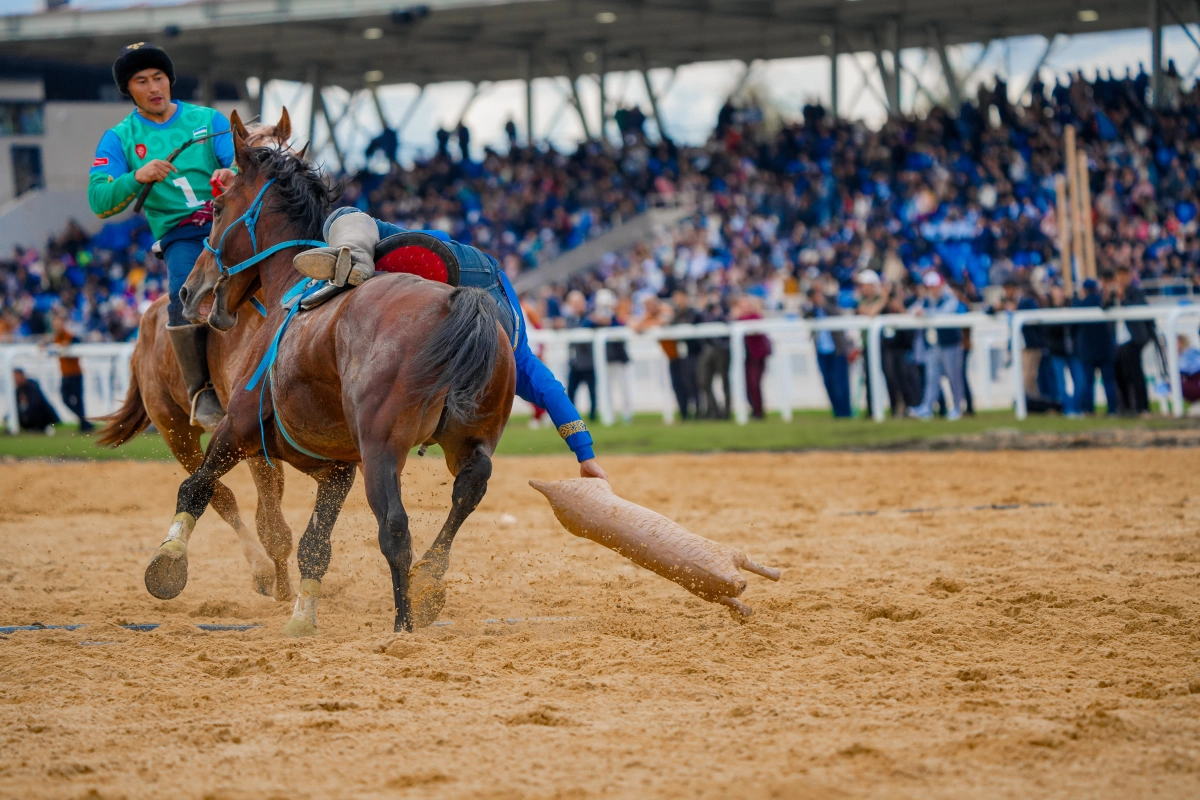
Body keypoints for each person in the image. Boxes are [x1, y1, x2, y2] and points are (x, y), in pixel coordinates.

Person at [292, 208, 608, 480]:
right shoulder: (515, 356)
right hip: (474, 282)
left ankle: (357, 255)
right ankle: (360, 261)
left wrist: (586, 452)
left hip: (468, 267)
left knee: (347, 217)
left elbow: (552, 391)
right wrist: (585, 456)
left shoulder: (515, 350)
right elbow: (552, 391)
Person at [87, 42, 236, 431]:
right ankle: (202, 391)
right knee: (183, 299)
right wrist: (136, 176)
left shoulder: (208, 118)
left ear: (169, 79)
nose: (154, 86)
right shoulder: (119, 139)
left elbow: (239, 157)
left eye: (159, 77)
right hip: (183, 235)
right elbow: (99, 200)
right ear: (129, 90)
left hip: (231, 223)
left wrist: (231, 171)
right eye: (142, 81)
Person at [911, 272, 966, 420]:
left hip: (950, 344)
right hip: (933, 345)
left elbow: (947, 312)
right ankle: (927, 408)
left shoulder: (949, 297)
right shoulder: (926, 300)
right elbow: (913, 310)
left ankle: (956, 407)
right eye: (929, 287)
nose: (932, 290)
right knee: (931, 378)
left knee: (954, 377)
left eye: (934, 286)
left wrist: (925, 313)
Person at [1111, 265, 1153, 415]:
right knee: (1120, 375)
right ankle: (1126, 407)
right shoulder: (1112, 293)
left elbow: (1139, 309)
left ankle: (1142, 407)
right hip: (1118, 340)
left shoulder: (1136, 292)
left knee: (1136, 373)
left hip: (1133, 339)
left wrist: (1122, 299)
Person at [1073, 277, 1119, 414]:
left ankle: (1088, 410)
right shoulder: (1101, 301)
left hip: (1088, 350)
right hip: (1105, 349)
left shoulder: (1080, 304)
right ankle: (1112, 410)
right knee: (1109, 382)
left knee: (1088, 383)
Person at [805, 285, 852, 418]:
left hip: (837, 350)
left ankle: (846, 412)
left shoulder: (831, 300)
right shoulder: (811, 308)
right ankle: (837, 412)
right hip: (822, 350)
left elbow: (838, 314)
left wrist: (823, 304)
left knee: (841, 382)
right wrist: (813, 306)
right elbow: (804, 316)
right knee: (829, 382)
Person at [50, 312, 92, 432]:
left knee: (78, 399)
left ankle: (84, 423)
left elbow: (77, 343)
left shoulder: (70, 336)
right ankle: (83, 421)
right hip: (65, 374)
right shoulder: (57, 338)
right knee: (66, 399)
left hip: (75, 373)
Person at [561, 290, 598, 423]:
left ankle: (593, 416)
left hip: (588, 362)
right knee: (570, 392)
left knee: (592, 392)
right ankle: (573, 418)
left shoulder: (590, 318)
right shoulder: (570, 319)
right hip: (575, 362)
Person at [734, 295, 771, 419]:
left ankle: (758, 411)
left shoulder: (754, 317)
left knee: (754, 383)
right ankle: (755, 409)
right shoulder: (742, 318)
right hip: (748, 356)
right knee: (749, 385)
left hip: (757, 356)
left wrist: (737, 316)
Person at [13, 369, 60, 433]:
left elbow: (36, 404)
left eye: (16, 376)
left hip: (42, 418)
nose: (15, 379)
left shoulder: (32, 387)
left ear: (22, 375)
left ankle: (43, 428)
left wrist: (24, 415)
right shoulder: (18, 391)